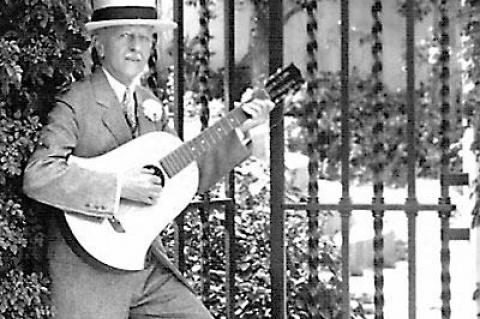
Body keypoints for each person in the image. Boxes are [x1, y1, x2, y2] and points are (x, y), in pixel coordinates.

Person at [22, 1, 273, 318]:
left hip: (143, 266)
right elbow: (39, 175)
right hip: (87, 270)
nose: (136, 47)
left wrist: (241, 128)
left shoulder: (149, 104)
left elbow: (183, 174)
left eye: (145, 37)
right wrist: (118, 187)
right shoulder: (77, 102)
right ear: (99, 45)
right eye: (125, 35)